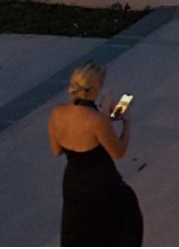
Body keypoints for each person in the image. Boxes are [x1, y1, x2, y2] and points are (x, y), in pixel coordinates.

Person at [49, 60, 142, 246]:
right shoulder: (96, 120)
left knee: (80, 234)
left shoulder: (57, 112)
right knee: (123, 225)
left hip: (73, 183)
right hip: (102, 184)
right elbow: (118, 151)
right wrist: (126, 124)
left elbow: (57, 150)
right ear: (96, 87)